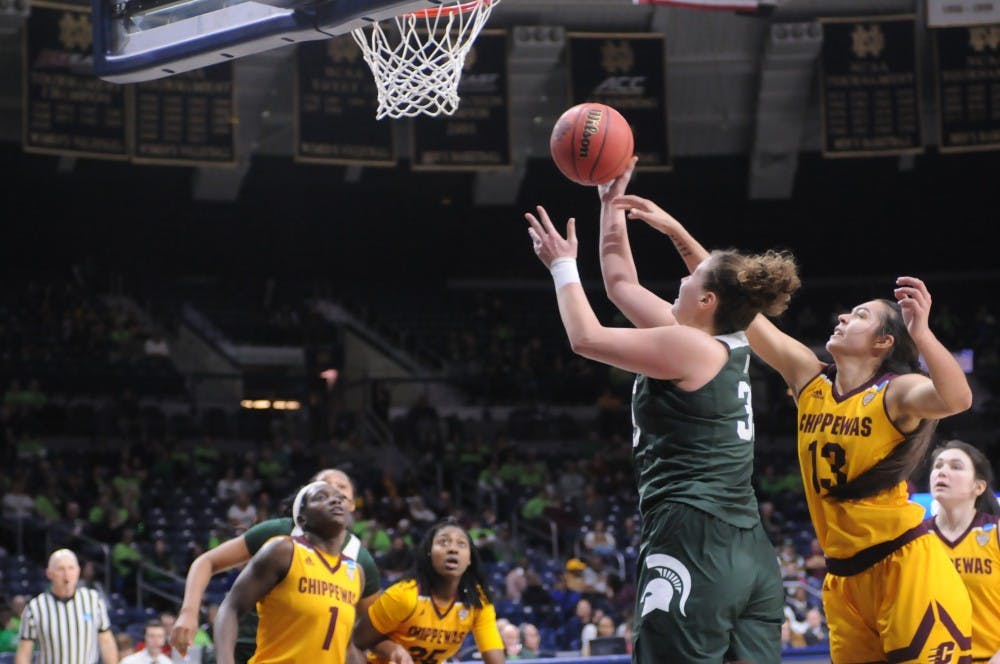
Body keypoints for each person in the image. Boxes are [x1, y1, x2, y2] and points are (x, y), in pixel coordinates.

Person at [611, 185, 976, 662]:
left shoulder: (895, 392)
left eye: (861, 315)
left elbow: (957, 398)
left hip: (905, 564)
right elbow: (734, 299)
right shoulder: (809, 377)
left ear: (884, 343)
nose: (844, 316)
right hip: (844, 577)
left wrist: (922, 333)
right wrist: (677, 233)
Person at [524, 158, 800, 663]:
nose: (682, 276)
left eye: (692, 275)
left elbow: (586, 338)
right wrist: (609, 203)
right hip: (749, 549)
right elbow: (620, 285)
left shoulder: (689, 348)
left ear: (707, 299)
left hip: (694, 535)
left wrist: (562, 265)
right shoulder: (723, 341)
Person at [171, 468, 380, 662]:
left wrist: (395, 650)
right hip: (245, 644)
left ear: (351, 504)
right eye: (323, 490)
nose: (334, 497)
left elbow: (364, 632)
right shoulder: (280, 538)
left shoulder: (359, 566)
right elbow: (208, 563)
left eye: (340, 492)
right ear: (302, 511)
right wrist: (189, 612)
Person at [213, 481, 363, 664]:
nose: (335, 501)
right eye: (321, 497)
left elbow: (343, 646)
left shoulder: (355, 573)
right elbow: (230, 608)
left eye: (340, 498)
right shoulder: (283, 551)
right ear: (302, 519)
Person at [352, 517, 505, 664]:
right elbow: (357, 641)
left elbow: (494, 656)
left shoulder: (477, 601)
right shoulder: (403, 596)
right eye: (443, 542)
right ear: (429, 552)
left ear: (469, 558)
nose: (452, 549)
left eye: (461, 544)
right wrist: (392, 649)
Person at [927, 439, 1000, 663]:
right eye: (938, 466)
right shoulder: (914, 539)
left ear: (978, 486)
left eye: (955, 466)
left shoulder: (994, 533)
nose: (942, 472)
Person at [15, 548, 118, 664]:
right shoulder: (35, 607)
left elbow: (106, 642)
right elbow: (24, 652)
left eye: (71, 568)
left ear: (78, 571)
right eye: (60, 569)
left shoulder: (93, 600)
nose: (67, 575)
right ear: (49, 573)